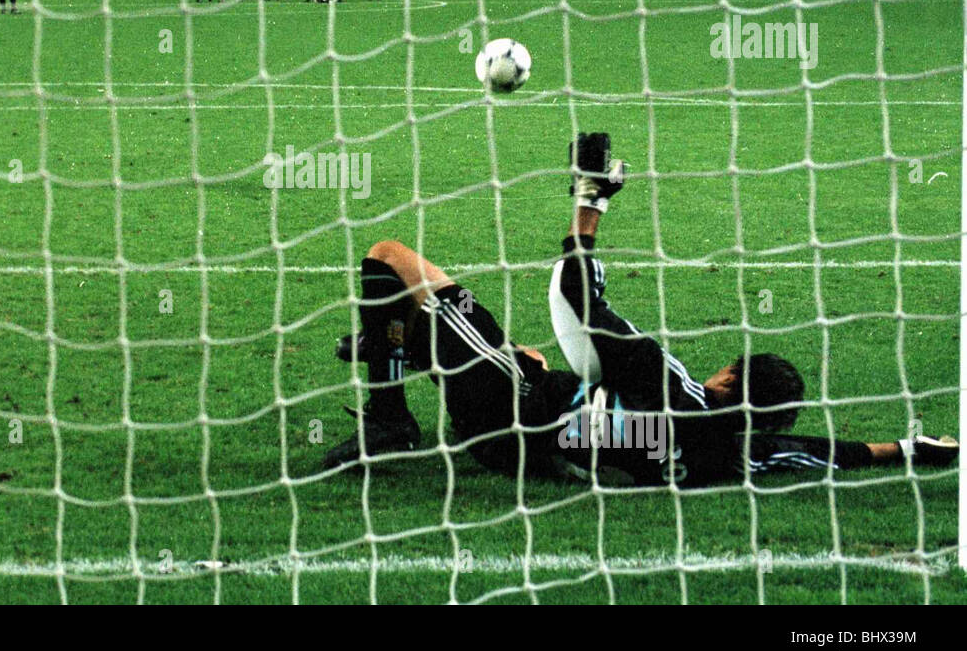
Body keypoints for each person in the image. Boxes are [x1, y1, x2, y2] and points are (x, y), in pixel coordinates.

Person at [321, 133, 960, 486]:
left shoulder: (668, 380)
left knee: (393, 261)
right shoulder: (734, 454)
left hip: (506, 410)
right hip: (525, 436)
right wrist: (906, 447)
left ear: (729, 377)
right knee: (453, 328)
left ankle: (388, 415)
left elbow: (579, 300)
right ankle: (391, 348)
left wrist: (590, 201)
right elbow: (824, 453)